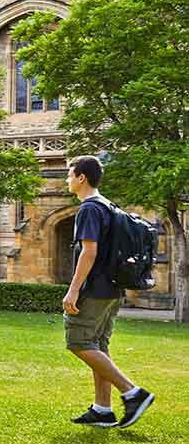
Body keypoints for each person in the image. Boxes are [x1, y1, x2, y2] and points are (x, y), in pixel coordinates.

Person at [63, 155, 154, 428]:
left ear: (81, 178)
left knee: (78, 342)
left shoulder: (89, 208)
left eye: (69, 175)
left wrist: (73, 290)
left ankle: (133, 393)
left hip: (96, 289)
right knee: (98, 345)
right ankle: (103, 409)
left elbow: (89, 252)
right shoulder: (108, 206)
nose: (67, 180)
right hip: (113, 288)